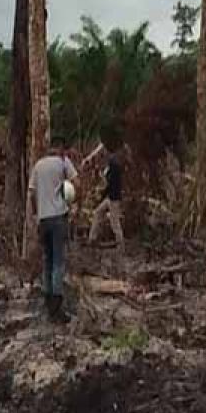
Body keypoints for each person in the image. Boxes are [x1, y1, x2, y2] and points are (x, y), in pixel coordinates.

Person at [28, 136, 78, 322]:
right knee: (58, 261)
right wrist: (69, 201)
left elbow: (31, 193)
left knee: (47, 259)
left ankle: (47, 298)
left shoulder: (38, 165)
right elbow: (76, 183)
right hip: (58, 217)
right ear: (61, 148)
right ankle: (57, 307)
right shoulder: (63, 162)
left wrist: (36, 213)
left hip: (43, 219)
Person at [88, 143, 124, 249]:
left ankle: (121, 244)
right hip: (110, 197)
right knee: (98, 212)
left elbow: (110, 183)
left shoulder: (114, 166)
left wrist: (102, 192)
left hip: (114, 198)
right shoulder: (111, 165)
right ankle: (92, 238)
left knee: (114, 222)